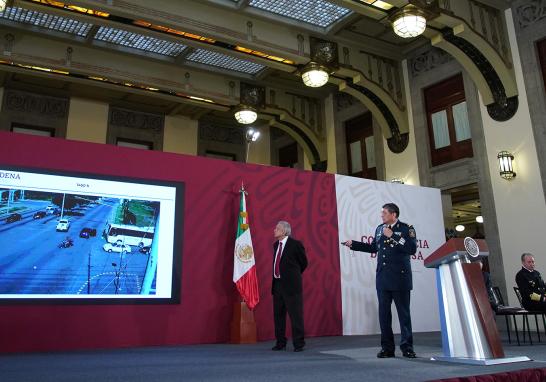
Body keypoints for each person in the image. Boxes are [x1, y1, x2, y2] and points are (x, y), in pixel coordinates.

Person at [342, 203, 417, 359]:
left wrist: (394, 236)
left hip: (400, 278)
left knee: (404, 315)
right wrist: (354, 244)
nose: (381, 215)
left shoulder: (406, 228)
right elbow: (373, 248)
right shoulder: (379, 228)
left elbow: (411, 249)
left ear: (393, 214)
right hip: (383, 278)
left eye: (384, 213)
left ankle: (407, 348)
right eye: (381, 213)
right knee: (384, 316)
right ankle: (387, 348)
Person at [271, 221, 308, 352]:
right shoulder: (276, 245)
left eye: (277, 228)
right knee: (278, 316)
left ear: (284, 231)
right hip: (277, 285)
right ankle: (280, 342)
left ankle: (299, 344)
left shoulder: (296, 245)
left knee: (295, 316)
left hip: (292, 286)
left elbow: (304, 263)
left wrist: (294, 276)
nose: (274, 230)